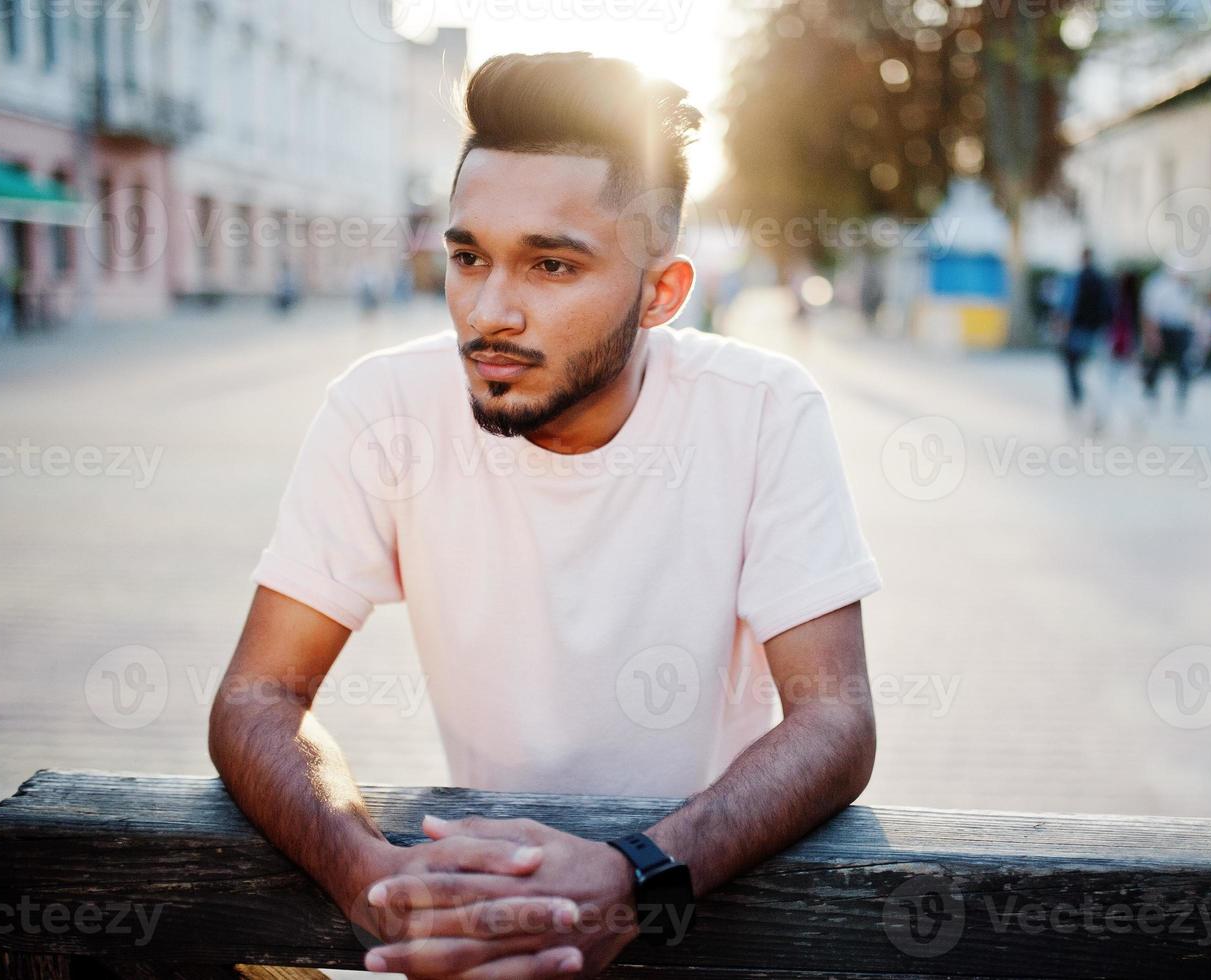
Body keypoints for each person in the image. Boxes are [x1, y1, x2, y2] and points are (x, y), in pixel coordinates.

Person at [208, 52, 882, 979]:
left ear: (661, 292)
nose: (488, 312)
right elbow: (258, 696)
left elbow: (835, 719)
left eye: (551, 265)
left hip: (713, 924)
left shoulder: (761, 409)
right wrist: (370, 879)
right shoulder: (384, 408)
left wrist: (635, 877)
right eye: (467, 256)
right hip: (491, 932)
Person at [1053, 248, 1114, 418]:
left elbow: (1068, 305)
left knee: (1073, 365)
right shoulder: (1101, 280)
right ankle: (1092, 405)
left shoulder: (1076, 279)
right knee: (1093, 369)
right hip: (1096, 330)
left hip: (1078, 329)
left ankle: (1078, 399)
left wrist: (1062, 325)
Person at [1140, 264, 1201, 414]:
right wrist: (1153, 334)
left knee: (1183, 364)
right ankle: (1151, 392)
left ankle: (1181, 396)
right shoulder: (1160, 287)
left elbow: (1188, 312)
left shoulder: (1186, 290)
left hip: (1180, 329)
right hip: (1164, 328)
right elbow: (1152, 312)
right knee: (1155, 362)